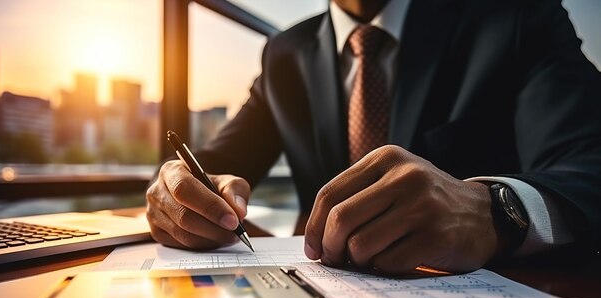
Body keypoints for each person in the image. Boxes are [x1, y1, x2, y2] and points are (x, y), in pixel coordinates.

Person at [146, 0, 601, 274]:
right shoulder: (286, 54)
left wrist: (497, 210)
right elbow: (215, 165)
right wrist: (178, 190)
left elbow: (590, 162)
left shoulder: (514, 16)